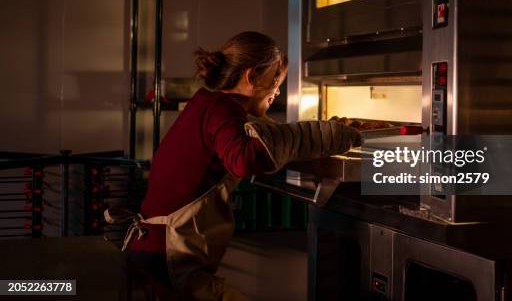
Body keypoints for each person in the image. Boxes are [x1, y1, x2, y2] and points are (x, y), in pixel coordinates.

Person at [106, 31, 361, 300]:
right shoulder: (223, 109)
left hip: (155, 251)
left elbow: (259, 143)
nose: (277, 91)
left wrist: (308, 146)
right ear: (252, 77)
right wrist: (320, 134)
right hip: (168, 259)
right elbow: (244, 159)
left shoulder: (209, 102)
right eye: (275, 80)